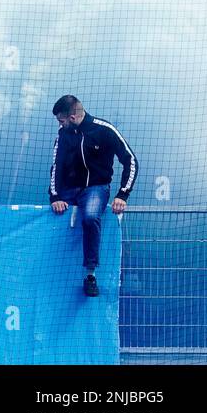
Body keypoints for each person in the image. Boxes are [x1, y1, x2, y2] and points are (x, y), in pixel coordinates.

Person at [48, 96, 138, 297]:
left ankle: (90, 274)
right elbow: (56, 167)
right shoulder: (63, 135)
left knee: (89, 216)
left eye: (61, 121)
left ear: (72, 117)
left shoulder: (104, 129)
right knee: (54, 215)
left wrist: (122, 194)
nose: (59, 125)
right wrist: (55, 198)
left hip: (96, 188)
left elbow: (130, 160)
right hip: (69, 190)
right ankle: (50, 274)